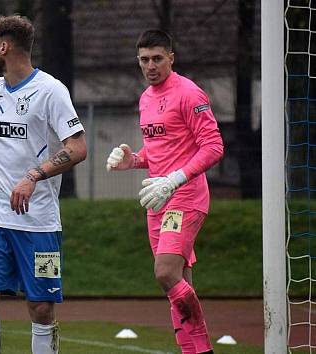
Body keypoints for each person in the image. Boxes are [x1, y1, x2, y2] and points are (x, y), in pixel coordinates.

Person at [0, 15, 87, 354]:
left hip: (38, 222)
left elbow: (78, 148)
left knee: (41, 308)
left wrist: (32, 176)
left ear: (4, 46)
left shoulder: (51, 91)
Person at [106, 29, 223, 354]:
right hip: (156, 199)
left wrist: (175, 179)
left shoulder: (190, 94)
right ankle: (194, 351)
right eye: (144, 60)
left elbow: (213, 147)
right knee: (179, 281)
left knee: (166, 273)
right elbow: (158, 152)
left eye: (157, 58)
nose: (150, 65)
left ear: (171, 57)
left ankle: (204, 350)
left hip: (184, 197)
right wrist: (133, 160)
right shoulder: (146, 98)